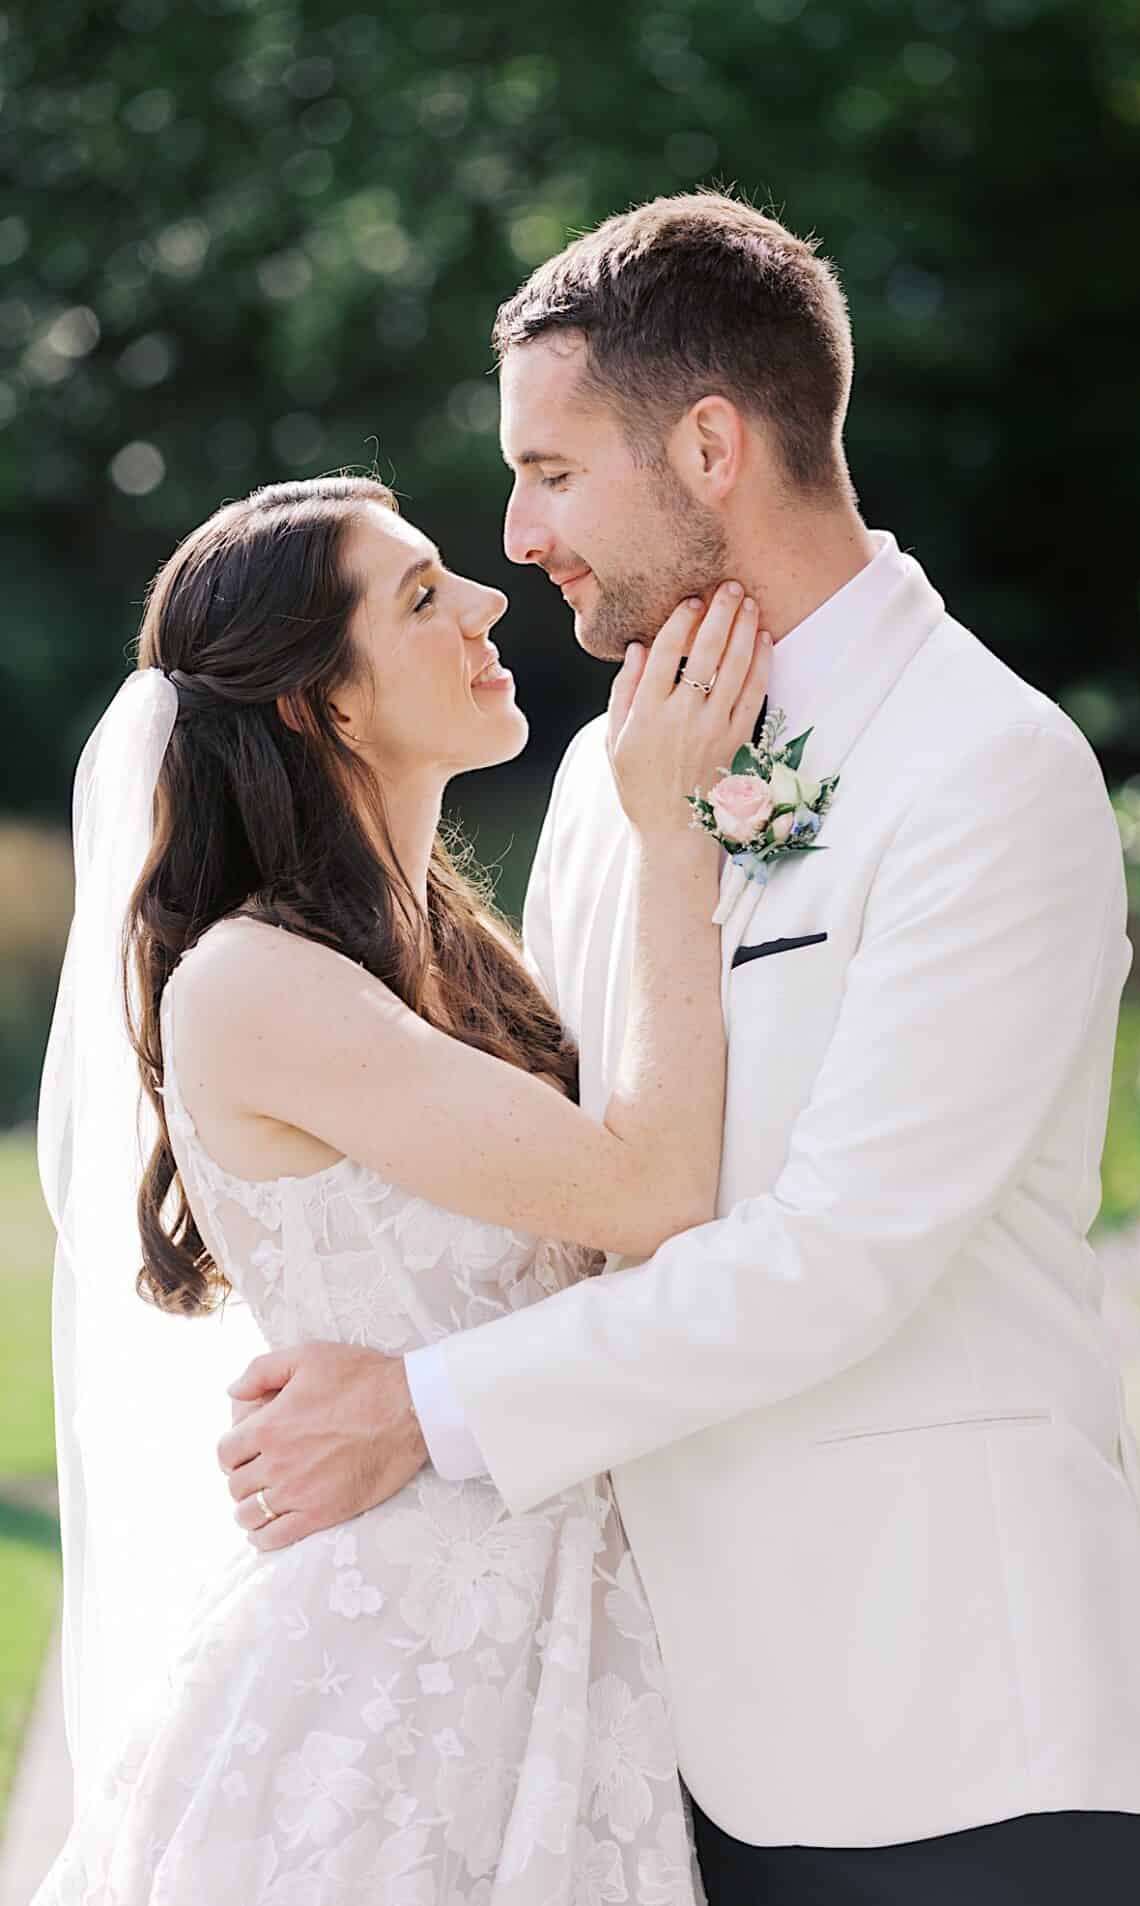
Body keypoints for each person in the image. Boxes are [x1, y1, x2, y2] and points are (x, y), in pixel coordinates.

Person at [207, 193, 1140, 1903]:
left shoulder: (990, 768)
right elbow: (598, 1172)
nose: (516, 531)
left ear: (712, 443)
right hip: (653, 1728)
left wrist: (427, 1409)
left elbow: (842, 1260)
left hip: (947, 1714)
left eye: (552, 470)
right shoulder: (621, 777)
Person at [40, 474, 766, 1902]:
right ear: (326, 707)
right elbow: (653, 1188)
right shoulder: (252, 985)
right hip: (388, 1696)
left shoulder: (449, 951)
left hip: (559, 1654)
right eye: (426, 596)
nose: (491, 601)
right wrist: (680, 837)